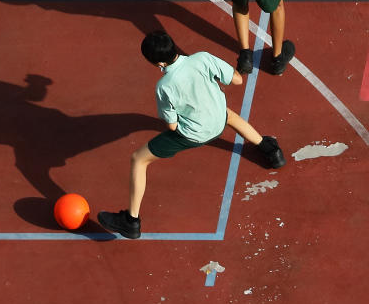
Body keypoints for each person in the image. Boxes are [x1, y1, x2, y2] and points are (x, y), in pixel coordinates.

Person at [98, 31, 285, 239]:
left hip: (195, 135)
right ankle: (270, 150)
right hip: (219, 117)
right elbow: (237, 80)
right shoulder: (202, 58)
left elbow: (171, 125)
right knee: (229, 115)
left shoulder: (164, 86)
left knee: (138, 160)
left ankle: (131, 222)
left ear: (158, 63)